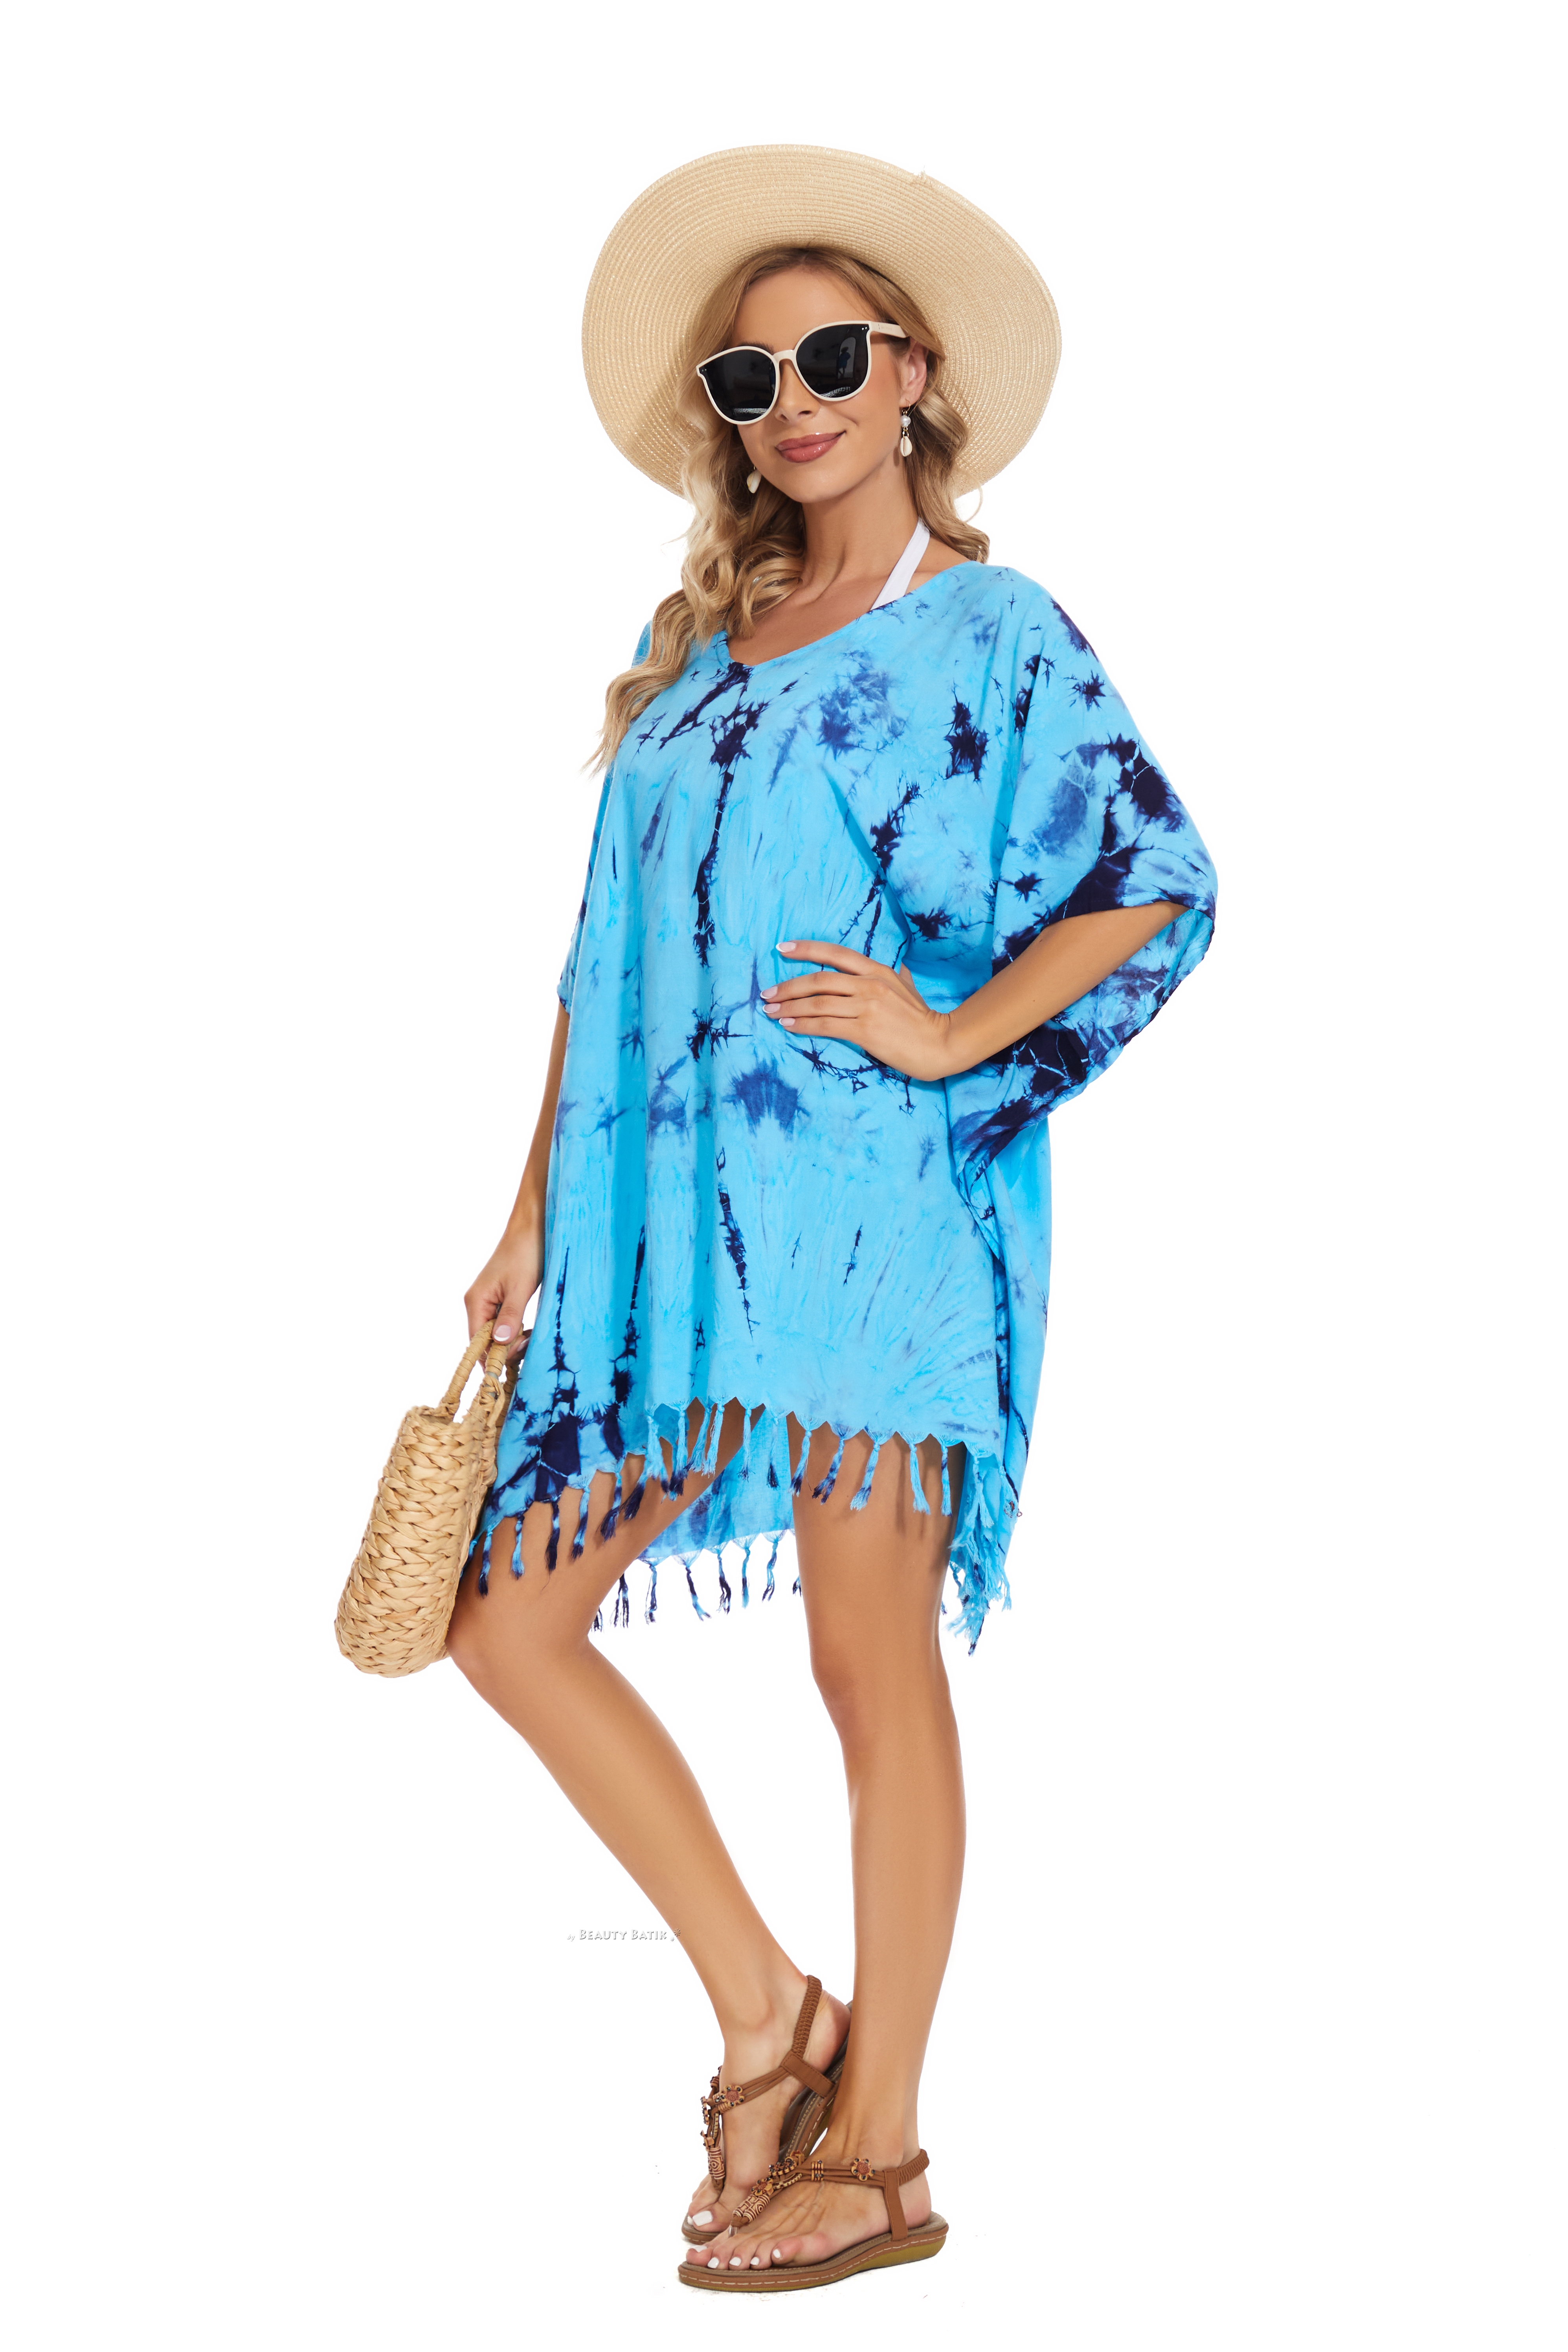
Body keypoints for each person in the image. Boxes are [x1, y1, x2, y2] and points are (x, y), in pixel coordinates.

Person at [444, 145, 1217, 2293]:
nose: (788, 401)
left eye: (828, 358)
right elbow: (596, 957)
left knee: (865, 1664)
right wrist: (527, 1214)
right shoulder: (690, 643)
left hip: (877, 1221)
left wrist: (955, 1026)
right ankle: (773, 2013)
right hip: (666, 1232)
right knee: (503, 1617)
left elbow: (1157, 878)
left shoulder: (992, 633)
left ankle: (879, 2149)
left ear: (912, 377)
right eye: (746, 373)